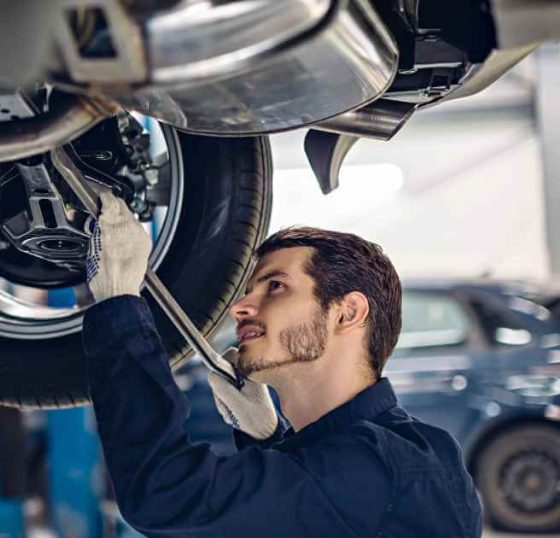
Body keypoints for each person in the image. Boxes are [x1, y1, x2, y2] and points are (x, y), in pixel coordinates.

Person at [83, 193, 482, 537]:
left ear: (347, 313)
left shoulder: (375, 466)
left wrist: (120, 304)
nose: (240, 307)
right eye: (249, 291)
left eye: (276, 286)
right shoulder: (416, 450)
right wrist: (268, 437)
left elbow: (165, 495)